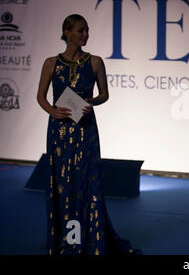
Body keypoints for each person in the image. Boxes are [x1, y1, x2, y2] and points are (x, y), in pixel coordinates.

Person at [37, 14, 140, 255]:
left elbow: (105, 94)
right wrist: (53, 111)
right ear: (67, 32)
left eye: (87, 31)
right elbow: (40, 96)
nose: (85, 35)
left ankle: (90, 239)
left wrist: (91, 101)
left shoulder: (95, 62)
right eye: (81, 31)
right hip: (59, 132)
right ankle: (66, 240)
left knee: (87, 184)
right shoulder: (50, 63)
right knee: (62, 184)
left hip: (85, 131)